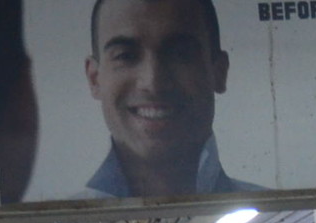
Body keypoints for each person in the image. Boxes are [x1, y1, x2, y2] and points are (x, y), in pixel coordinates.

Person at [81, 0, 263, 199]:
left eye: (180, 54)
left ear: (219, 72)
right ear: (94, 78)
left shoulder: (272, 215)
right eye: (126, 56)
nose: (153, 82)